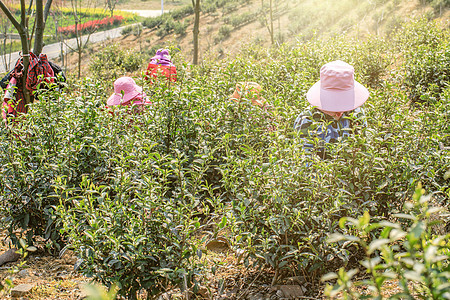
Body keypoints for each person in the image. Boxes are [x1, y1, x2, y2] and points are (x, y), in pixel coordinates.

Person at [294, 60, 369, 159]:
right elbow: (305, 162)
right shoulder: (307, 121)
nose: (340, 112)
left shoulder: (357, 114)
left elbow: (363, 151)